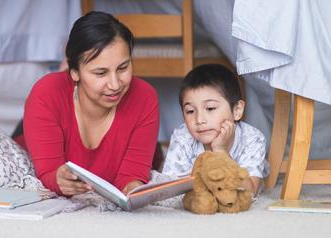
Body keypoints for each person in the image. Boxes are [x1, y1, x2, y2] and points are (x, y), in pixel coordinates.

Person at [23, 11, 160, 197]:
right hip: (32, 130)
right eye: (101, 73)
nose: (115, 84)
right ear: (74, 72)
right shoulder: (46, 94)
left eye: (123, 68)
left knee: (156, 157)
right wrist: (58, 179)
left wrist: (134, 189)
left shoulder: (145, 98)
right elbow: (47, 172)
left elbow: (130, 178)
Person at [162, 64, 269, 195]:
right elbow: (170, 188)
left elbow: (249, 191)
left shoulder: (252, 138)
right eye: (190, 111)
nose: (199, 119)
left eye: (210, 108)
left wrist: (221, 151)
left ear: (237, 110)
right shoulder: (182, 137)